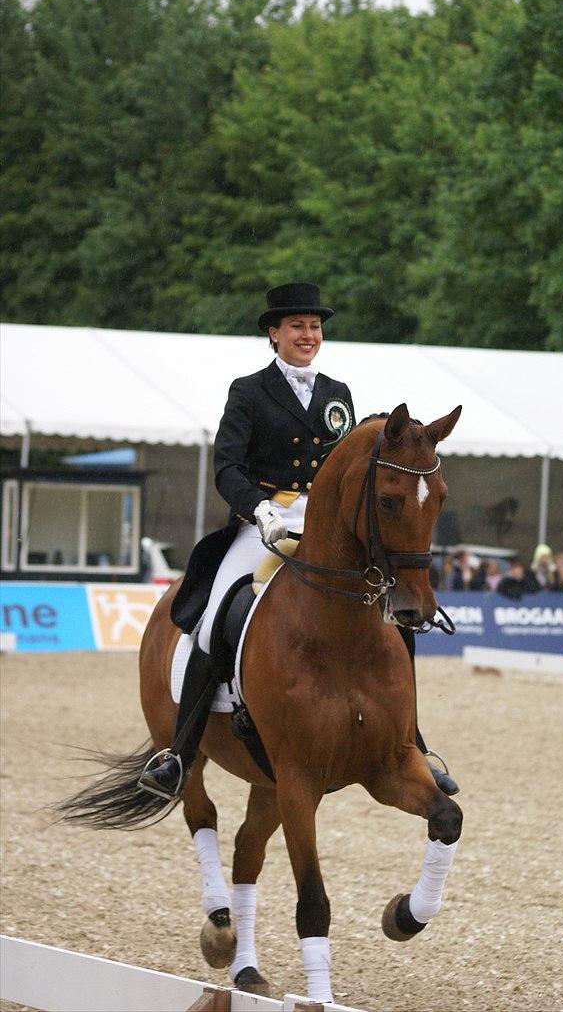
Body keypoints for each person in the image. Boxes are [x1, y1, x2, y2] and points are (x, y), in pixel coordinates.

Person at [140, 282, 458, 799]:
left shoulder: (338, 393)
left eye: (314, 326)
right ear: (274, 333)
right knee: (217, 611)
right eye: (296, 327)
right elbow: (227, 466)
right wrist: (259, 508)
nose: (307, 335)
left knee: (389, 608)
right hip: (262, 520)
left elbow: (352, 469)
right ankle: (181, 750)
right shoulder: (248, 391)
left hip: (325, 522)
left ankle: (411, 740)